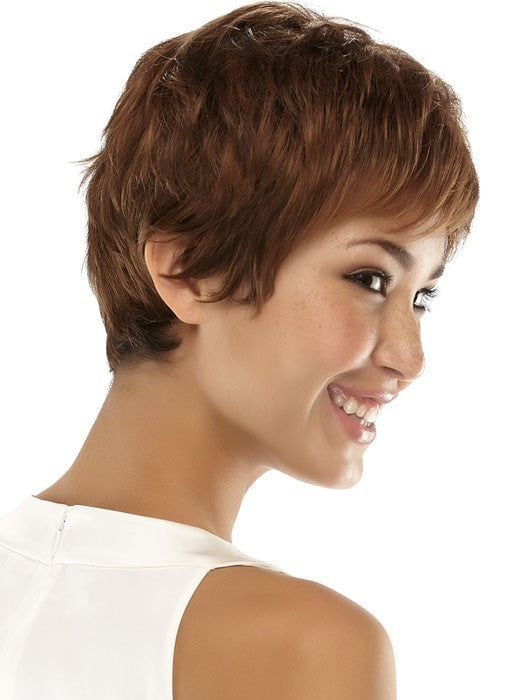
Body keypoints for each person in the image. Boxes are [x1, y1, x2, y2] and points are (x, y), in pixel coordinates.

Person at [0, 1, 479, 698]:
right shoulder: (304, 649)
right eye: (370, 279)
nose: (409, 358)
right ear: (188, 270)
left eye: (422, 297)